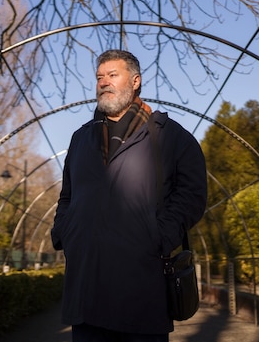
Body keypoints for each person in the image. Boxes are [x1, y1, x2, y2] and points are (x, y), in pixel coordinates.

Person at [51, 49, 207, 342]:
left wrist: (159, 235)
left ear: (135, 81)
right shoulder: (80, 138)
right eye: (99, 77)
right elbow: (67, 195)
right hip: (86, 286)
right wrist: (65, 231)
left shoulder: (170, 136)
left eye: (112, 75)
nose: (103, 82)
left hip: (140, 285)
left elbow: (192, 194)